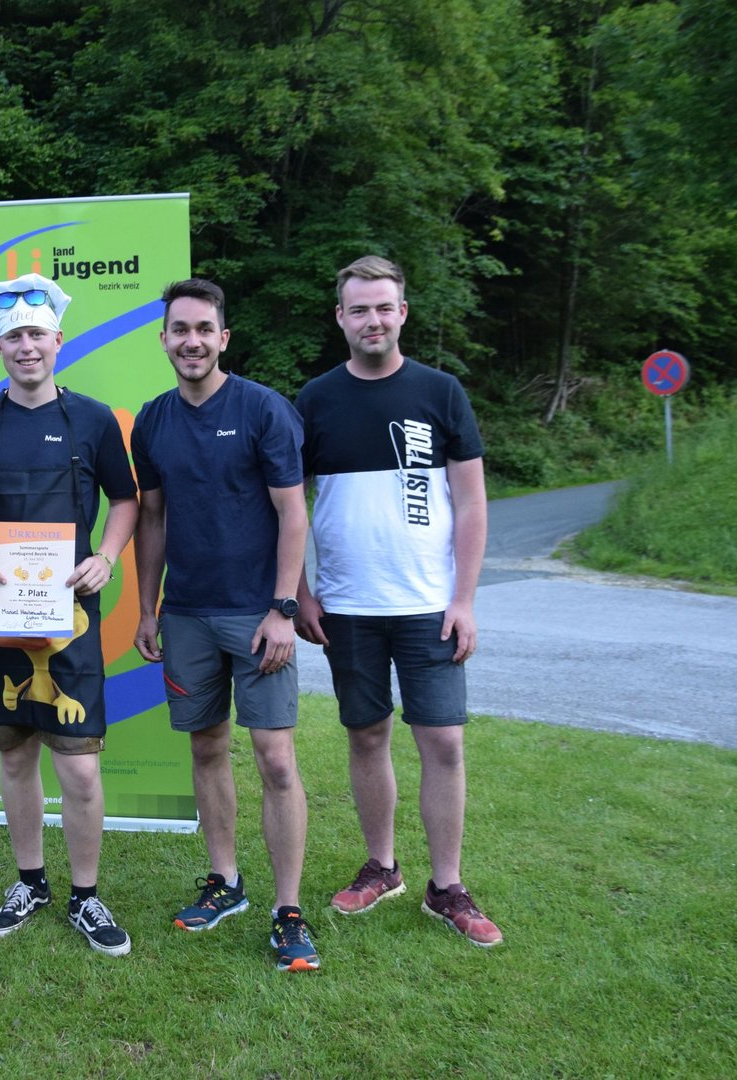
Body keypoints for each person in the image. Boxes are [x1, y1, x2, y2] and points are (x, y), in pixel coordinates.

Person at [294, 255, 502, 947]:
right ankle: (382, 866)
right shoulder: (316, 399)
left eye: (384, 307)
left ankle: (448, 886)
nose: (373, 320)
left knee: (443, 740)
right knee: (366, 735)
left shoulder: (440, 392)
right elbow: (287, 505)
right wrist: (300, 593)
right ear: (341, 318)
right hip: (347, 607)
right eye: (359, 309)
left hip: (429, 606)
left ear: (403, 313)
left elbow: (471, 504)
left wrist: (463, 599)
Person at [0, 274, 139, 957]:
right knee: (14, 753)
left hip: (70, 614)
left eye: (36, 334)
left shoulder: (93, 419)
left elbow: (126, 500)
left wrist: (107, 558)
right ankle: (30, 881)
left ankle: (86, 895)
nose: (26, 346)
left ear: (58, 340)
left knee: (79, 765)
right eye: (13, 337)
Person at [131, 278, 319, 973]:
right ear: (164, 339)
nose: (192, 341)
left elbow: (292, 513)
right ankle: (226, 882)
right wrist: (146, 607)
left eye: (204, 329)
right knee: (207, 748)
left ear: (223, 337)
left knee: (276, 758)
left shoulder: (264, 410)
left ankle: (288, 909)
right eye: (180, 329)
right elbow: (152, 518)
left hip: (257, 615)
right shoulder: (152, 420)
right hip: (185, 615)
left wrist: (283, 609)